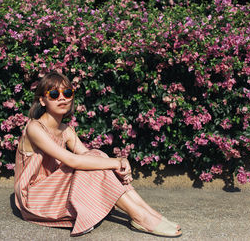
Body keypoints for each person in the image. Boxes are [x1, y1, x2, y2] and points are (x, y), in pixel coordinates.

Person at [14, 72, 182, 237]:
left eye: (67, 93)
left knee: (95, 155)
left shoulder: (66, 130)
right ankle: (139, 216)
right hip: (36, 197)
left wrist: (118, 163)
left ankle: (147, 212)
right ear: (42, 100)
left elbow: (88, 157)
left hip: (54, 190)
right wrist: (116, 163)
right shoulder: (34, 128)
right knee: (95, 159)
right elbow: (72, 160)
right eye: (53, 94)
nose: (62, 98)